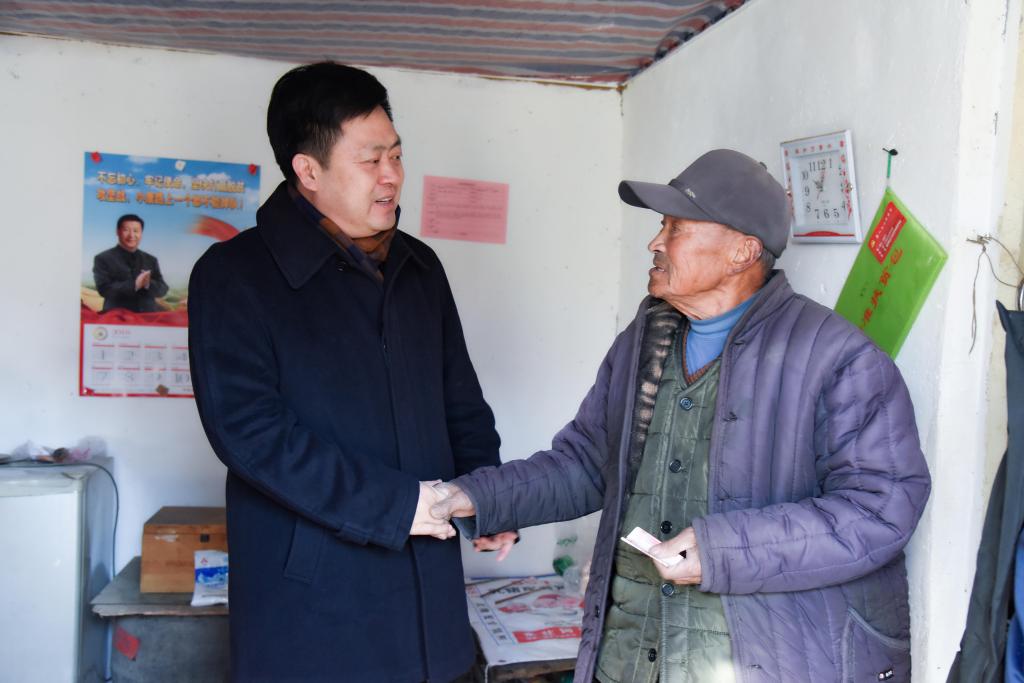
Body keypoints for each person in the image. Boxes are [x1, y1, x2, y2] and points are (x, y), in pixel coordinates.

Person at [424, 149, 932, 682]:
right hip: (630, 655)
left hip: (760, 663)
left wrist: (720, 550)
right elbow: (587, 464)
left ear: (742, 251)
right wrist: (471, 496)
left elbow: (880, 510)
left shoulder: (837, 358)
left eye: (676, 228)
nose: (655, 242)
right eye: (660, 225)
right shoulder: (646, 340)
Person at [188, 62, 515, 682]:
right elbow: (250, 433)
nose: (392, 175)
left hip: (430, 595)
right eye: (370, 160)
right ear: (307, 171)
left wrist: (488, 495)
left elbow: (461, 401)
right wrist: (396, 505)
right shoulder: (235, 276)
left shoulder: (420, 267)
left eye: (397, 155)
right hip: (315, 608)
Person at [92, 213, 168, 312]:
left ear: (141, 233)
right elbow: (104, 289)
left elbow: (163, 289)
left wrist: (148, 283)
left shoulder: (151, 259)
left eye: (136, 231)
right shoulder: (102, 258)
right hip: (116, 316)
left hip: (148, 316)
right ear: (118, 232)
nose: (131, 235)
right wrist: (135, 284)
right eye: (126, 230)